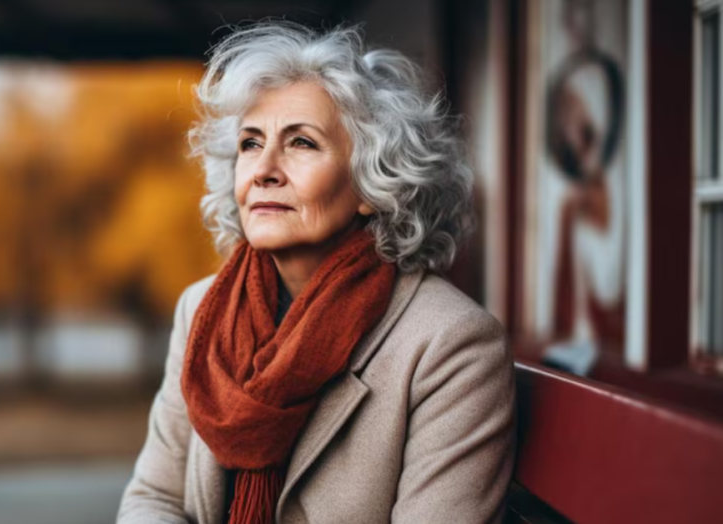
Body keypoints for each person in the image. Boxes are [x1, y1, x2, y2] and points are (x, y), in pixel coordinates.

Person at [118, 21, 515, 524]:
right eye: (250, 143)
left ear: (375, 183)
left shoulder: (450, 345)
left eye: (301, 143)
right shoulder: (200, 309)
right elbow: (153, 499)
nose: (264, 168)